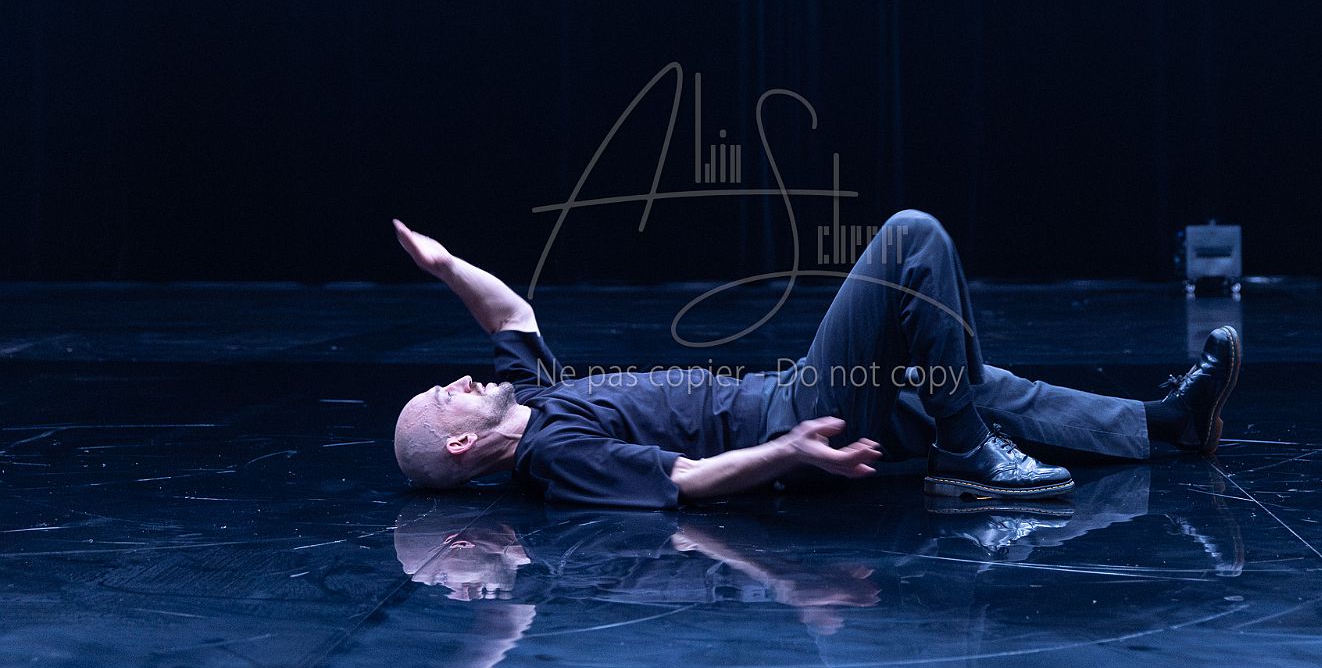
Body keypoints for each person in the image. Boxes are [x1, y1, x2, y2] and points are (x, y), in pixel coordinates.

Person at [390, 210, 1241, 508]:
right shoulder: (550, 454)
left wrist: (444, 265)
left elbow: (511, 313)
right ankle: (969, 452)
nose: (461, 379)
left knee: (971, 383)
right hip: (789, 418)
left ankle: (1169, 423)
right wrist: (790, 451)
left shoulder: (532, 397)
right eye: (445, 395)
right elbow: (685, 480)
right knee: (911, 238)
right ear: (460, 444)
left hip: (791, 397)